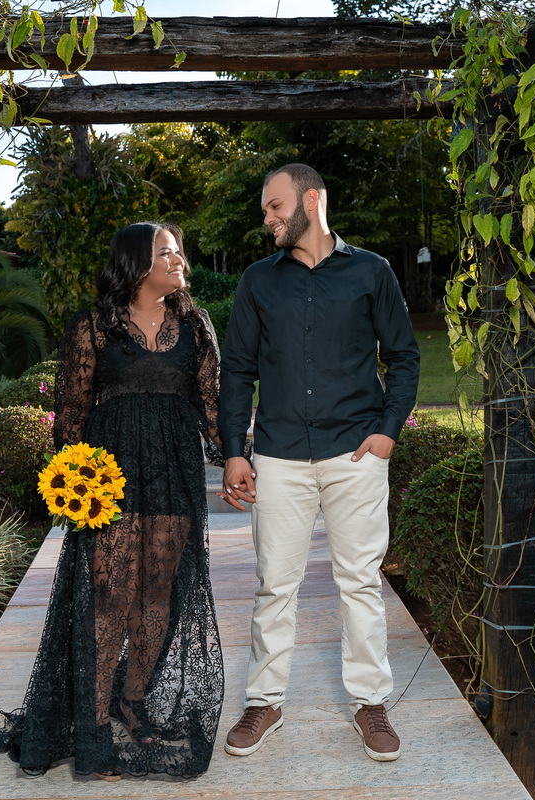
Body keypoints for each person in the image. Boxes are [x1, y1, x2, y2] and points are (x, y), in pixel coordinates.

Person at [0, 222, 225, 780]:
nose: (179, 260)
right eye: (168, 252)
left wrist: (239, 458)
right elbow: (71, 412)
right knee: (111, 597)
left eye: (179, 251)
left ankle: (132, 701)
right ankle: (92, 727)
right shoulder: (93, 327)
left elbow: (212, 404)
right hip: (111, 481)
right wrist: (73, 485)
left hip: (172, 473)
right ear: (137, 264)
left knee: (159, 595)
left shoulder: (194, 324)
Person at [217, 164, 421, 762]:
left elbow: (404, 356)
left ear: (311, 198)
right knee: (274, 584)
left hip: (356, 452)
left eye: (275, 207)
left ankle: (370, 703)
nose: (268, 219)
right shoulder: (258, 281)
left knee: (359, 582)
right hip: (279, 455)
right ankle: (265, 702)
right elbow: (238, 371)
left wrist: (387, 433)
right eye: (265, 210)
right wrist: (234, 450)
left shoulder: (371, 271)